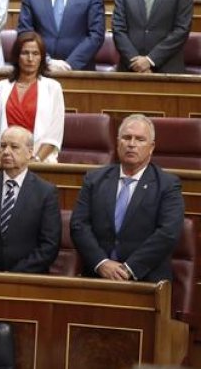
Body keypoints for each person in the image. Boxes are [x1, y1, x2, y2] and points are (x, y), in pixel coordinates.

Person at [70, 114, 184, 284]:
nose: (131, 144)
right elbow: (79, 225)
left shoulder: (167, 185)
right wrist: (101, 263)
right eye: (126, 138)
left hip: (145, 280)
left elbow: (168, 233)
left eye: (139, 139)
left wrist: (129, 268)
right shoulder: (94, 179)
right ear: (117, 143)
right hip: (97, 278)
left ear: (151, 147)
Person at [0, 126, 61, 273]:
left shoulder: (46, 193)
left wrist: (15, 275)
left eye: (14, 147)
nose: (6, 151)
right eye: (3, 146)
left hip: (28, 280)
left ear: (30, 152)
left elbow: (49, 245)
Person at [0, 32, 65, 163]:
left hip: (41, 164)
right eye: (25, 53)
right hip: (5, 163)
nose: (30, 58)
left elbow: (54, 134)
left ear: (42, 57)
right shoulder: (0, 88)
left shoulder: (53, 88)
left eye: (35, 54)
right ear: (17, 56)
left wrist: (36, 161)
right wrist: (3, 161)